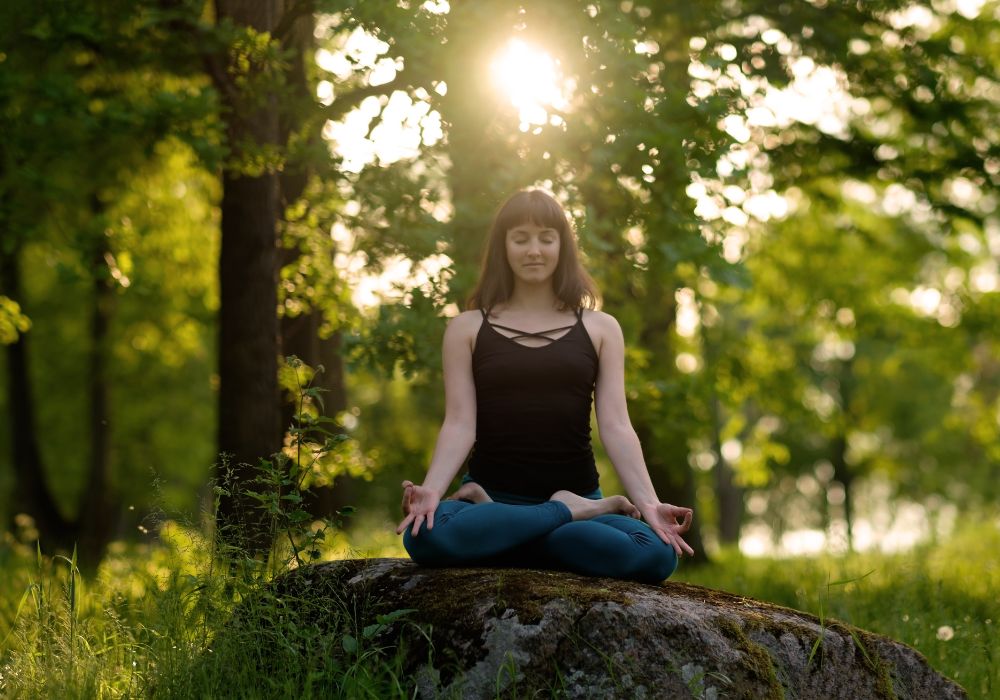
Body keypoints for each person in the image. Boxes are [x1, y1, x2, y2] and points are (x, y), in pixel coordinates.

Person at [395, 189, 694, 584]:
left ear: (562, 246)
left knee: (656, 554)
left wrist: (650, 503)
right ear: (503, 247)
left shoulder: (601, 328)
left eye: (545, 238)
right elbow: (459, 423)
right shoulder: (466, 328)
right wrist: (432, 489)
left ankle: (520, 531)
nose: (533, 250)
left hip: (564, 496)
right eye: (520, 238)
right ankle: (564, 514)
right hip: (495, 498)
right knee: (425, 538)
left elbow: (617, 425)